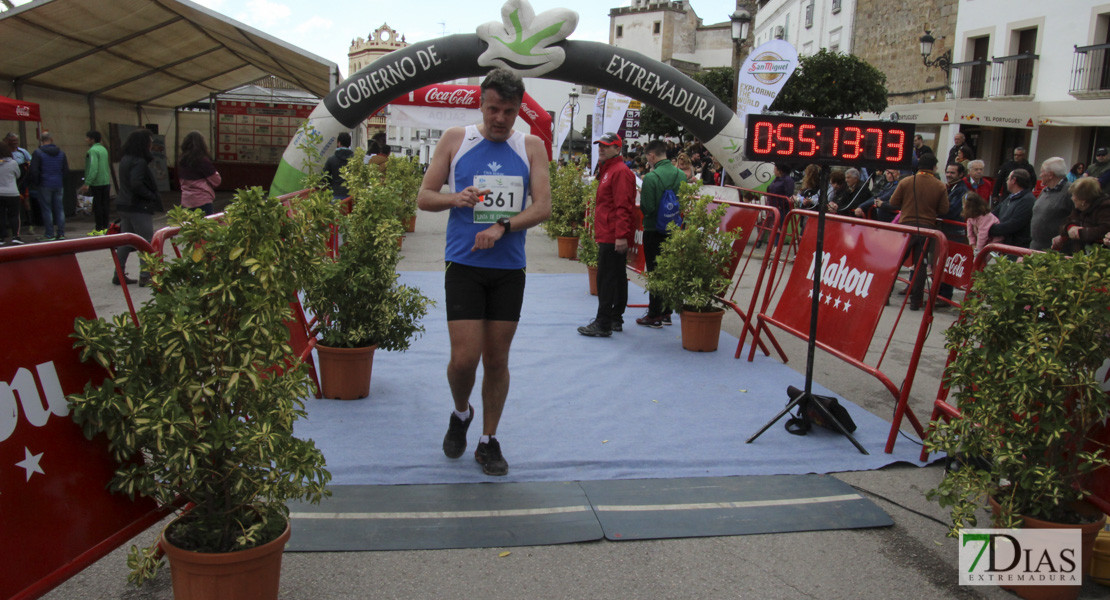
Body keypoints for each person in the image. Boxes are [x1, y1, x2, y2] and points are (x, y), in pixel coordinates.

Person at [416, 68, 551, 477]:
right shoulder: (456, 139)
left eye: (509, 112)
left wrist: (503, 226)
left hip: (509, 269)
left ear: (518, 112)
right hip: (465, 265)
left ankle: (489, 441)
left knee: (496, 359)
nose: (500, 119)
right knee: (463, 360)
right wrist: (457, 197)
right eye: (493, 109)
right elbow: (424, 198)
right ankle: (461, 413)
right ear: (481, 104)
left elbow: (543, 207)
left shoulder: (531, 146)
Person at [578, 132, 636, 338]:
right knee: (617, 276)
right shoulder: (611, 170)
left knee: (607, 278)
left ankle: (604, 321)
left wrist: (620, 235)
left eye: (606, 145)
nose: (601, 148)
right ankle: (614, 318)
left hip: (612, 234)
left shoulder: (618, 172)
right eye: (600, 145)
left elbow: (623, 206)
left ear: (618, 149)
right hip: (610, 232)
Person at [890, 153, 949, 311]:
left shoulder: (906, 181)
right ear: (934, 167)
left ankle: (885, 295)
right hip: (927, 229)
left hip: (906, 227)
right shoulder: (939, 185)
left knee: (897, 262)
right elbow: (944, 209)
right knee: (921, 266)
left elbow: (893, 202)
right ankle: (916, 302)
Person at [636, 139, 684, 328]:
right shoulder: (681, 174)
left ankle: (654, 313)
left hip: (654, 229)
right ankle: (666, 312)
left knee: (655, 272)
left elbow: (647, 208)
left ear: (651, 155)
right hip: (674, 228)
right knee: (668, 271)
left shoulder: (651, 177)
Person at [115, 128, 162, 286]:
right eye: (150, 141)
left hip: (124, 204)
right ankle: (145, 274)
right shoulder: (139, 162)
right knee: (146, 241)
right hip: (138, 206)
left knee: (126, 241)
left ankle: (118, 273)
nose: (151, 145)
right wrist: (150, 196)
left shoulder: (125, 159)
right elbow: (137, 184)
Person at [937, 162, 969, 307]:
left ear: (961, 175)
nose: (949, 175)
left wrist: (937, 209)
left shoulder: (962, 190)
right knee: (941, 264)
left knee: (948, 265)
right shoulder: (949, 188)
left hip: (954, 232)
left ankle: (944, 297)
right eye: (948, 172)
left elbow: (952, 211)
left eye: (952, 173)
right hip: (945, 229)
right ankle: (939, 295)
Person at [1052, 177, 1110, 255]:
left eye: (1074, 195)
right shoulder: (1079, 208)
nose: (1072, 198)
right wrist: (1070, 228)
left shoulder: (1105, 207)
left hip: (1096, 257)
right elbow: (1065, 224)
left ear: (1083, 200)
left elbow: (1104, 230)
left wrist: (1080, 233)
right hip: (1078, 254)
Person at [28, 132, 69, 241]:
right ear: (51, 139)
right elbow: (65, 170)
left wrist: (36, 183)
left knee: (47, 209)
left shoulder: (38, 153)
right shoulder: (61, 153)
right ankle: (61, 233)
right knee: (59, 209)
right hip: (58, 184)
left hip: (44, 184)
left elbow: (34, 170)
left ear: (41, 141)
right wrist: (59, 178)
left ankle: (49, 234)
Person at [1029, 157, 1073, 251]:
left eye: (1042, 172)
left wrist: (1063, 237)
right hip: (1036, 247)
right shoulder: (1045, 191)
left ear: (1050, 175)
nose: (1040, 175)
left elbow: (1076, 218)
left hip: (1056, 251)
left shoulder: (1070, 191)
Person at [988, 167, 1035, 248]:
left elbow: (1013, 224)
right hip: (1005, 244)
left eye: (1008, 179)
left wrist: (989, 229)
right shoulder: (1010, 197)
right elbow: (994, 213)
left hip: (1017, 247)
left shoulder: (1028, 200)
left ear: (1014, 180)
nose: (1006, 182)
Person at [177, 131, 222, 216]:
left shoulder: (181, 161)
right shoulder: (203, 161)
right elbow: (217, 180)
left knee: (188, 227)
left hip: (186, 200)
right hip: (203, 200)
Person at [78, 131, 112, 230]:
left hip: (96, 182)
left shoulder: (92, 151)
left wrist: (87, 183)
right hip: (106, 181)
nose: (86, 140)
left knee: (97, 206)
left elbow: (93, 167)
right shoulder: (104, 149)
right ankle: (106, 226)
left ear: (92, 139)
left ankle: (98, 228)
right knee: (105, 205)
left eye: (87, 138)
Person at [759, 163, 794, 248]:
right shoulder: (776, 179)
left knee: (780, 227)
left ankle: (777, 247)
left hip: (782, 208)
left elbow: (789, 193)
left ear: (780, 171)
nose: (773, 171)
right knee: (775, 226)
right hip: (774, 206)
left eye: (775, 169)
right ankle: (772, 245)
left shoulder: (788, 180)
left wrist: (782, 203)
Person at [3, 133, 31, 239]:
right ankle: (10, 231)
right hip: (10, 184)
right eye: (12, 140)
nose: (15, 142)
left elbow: (29, 163)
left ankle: (30, 224)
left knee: (25, 202)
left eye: (16, 140)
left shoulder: (22, 152)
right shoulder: (7, 156)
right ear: (7, 141)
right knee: (10, 210)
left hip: (21, 182)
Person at [962, 192, 1001, 256]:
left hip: (995, 241)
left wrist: (978, 250)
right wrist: (973, 245)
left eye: (963, 205)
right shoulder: (970, 217)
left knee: (982, 260)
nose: (962, 207)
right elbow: (970, 234)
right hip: (985, 241)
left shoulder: (984, 217)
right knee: (978, 259)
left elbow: (982, 235)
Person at [323, 132, 355, 200]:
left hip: (336, 193)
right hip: (351, 194)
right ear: (349, 144)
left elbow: (324, 177)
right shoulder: (355, 159)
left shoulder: (331, 159)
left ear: (339, 143)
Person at [0, 144, 21, 246]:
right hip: (12, 193)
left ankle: (1, 238)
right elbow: (18, 175)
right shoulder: (13, 163)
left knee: (1, 216)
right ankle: (15, 236)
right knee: (14, 215)